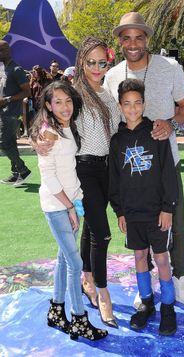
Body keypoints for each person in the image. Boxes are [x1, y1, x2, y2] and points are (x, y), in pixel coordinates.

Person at [104, 11, 184, 314]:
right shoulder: (112, 76)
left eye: (139, 37)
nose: (133, 43)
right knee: (137, 227)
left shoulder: (168, 68)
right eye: (126, 37)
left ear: (147, 39)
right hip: (130, 169)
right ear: (120, 42)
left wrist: (171, 124)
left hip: (164, 164)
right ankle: (147, 286)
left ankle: (180, 281)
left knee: (176, 224)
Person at [33, 37, 121, 328]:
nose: (97, 68)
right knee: (103, 234)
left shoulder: (109, 93)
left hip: (108, 169)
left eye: (102, 62)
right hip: (85, 170)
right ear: (81, 61)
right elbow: (50, 116)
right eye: (91, 62)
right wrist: (37, 138)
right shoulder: (76, 94)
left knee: (91, 231)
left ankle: (86, 276)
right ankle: (102, 294)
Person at [30, 81, 108, 341]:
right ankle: (79, 320)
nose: (65, 107)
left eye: (68, 101)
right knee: (75, 263)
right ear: (49, 106)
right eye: (58, 102)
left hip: (72, 202)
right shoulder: (49, 133)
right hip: (57, 205)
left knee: (65, 258)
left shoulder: (67, 127)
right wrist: (69, 208)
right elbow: (49, 178)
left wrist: (76, 203)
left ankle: (56, 309)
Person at [109, 78, 178, 335]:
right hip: (132, 213)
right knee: (139, 256)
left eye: (137, 103)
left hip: (157, 212)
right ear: (120, 106)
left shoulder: (157, 134)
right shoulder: (117, 141)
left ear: (144, 104)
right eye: (127, 104)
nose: (133, 108)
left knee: (161, 258)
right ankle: (147, 304)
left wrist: (168, 207)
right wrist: (120, 211)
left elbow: (168, 174)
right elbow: (114, 180)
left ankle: (168, 308)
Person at [0, 40, 32, 186]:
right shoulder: (3, 69)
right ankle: (15, 173)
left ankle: (23, 170)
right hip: (3, 112)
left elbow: (27, 91)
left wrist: (7, 99)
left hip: (11, 112)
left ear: (7, 50)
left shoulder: (16, 69)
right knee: (10, 142)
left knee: (4, 143)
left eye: (1, 50)